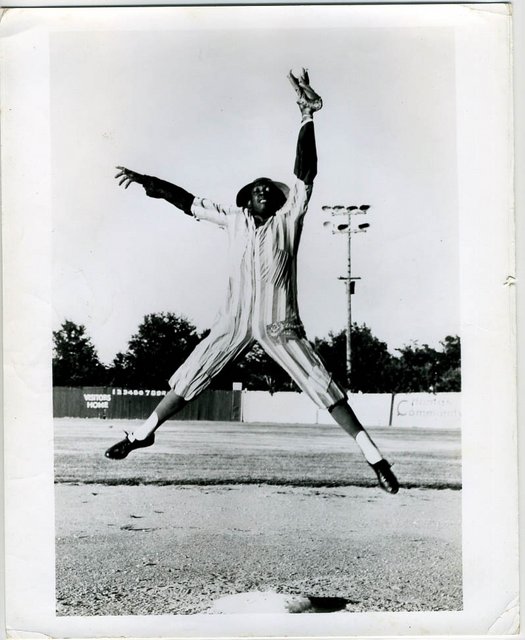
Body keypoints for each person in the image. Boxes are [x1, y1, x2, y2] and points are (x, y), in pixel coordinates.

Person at [105, 69, 399, 495]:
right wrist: (148, 182)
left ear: (278, 200)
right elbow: (186, 201)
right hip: (234, 321)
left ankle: (376, 459)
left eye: (269, 188)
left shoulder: (289, 219)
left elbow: (304, 175)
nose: (264, 189)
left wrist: (307, 118)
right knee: (189, 377)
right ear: (246, 199)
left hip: (281, 326)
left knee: (323, 386)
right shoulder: (233, 219)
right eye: (257, 188)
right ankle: (143, 433)